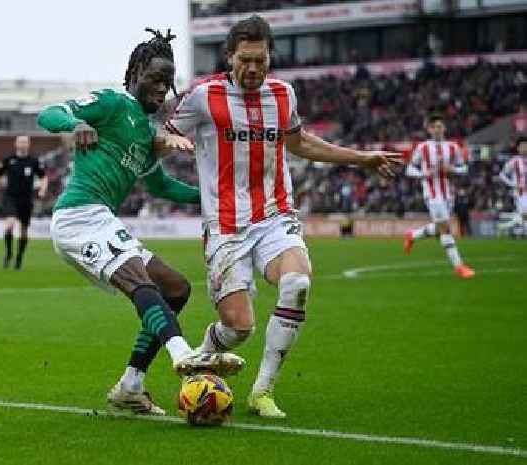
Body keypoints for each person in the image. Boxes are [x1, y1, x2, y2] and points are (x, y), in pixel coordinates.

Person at [164, 15, 401, 418]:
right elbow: (165, 134)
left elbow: (301, 143)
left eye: (260, 60)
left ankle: (263, 390)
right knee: (239, 328)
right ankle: (205, 353)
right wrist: (167, 139)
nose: (253, 68)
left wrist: (360, 158)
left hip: (275, 216)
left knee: (297, 282)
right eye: (245, 60)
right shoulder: (204, 96)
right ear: (229, 57)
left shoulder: (283, 94)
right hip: (225, 225)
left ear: (270, 57)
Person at [37, 28, 244, 415]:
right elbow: (50, 113)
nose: (161, 89)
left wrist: (210, 198)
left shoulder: (149, 135)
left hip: (100, 219)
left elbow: (162, 186)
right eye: (154, 78)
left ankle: (131, 386)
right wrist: (75, 125)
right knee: (141, 282)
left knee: (176, 289)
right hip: (78, 216)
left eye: (167, 82)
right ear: (134, 73)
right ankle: (185, 356)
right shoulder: (113, 102)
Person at [404, 114, 475, 278]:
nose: (437, 129)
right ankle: (459, 267)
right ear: (429, 129)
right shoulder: (423, 148)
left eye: (440, 126)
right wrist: (424, 173)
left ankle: (412, 235)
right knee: (445, 228)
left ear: (444, 128)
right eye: (434, 126)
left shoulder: (453, 147)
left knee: (439, 228)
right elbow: (409, 169)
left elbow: (464, 169)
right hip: (432, 193)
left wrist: (453, 170)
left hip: (448, 194)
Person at [0, 136, 48, 270]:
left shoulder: (34, 161)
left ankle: (19, 257)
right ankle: (8, 253)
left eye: (25, 142)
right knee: (9, 225)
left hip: (26, 199)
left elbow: (43, 177)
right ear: (16, 144)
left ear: (29, 145)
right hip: (11, 198)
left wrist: (42, 189)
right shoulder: (8, 160)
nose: (23, 144)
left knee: (23, 231)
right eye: (20, 142)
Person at [498, 135, 527, 237]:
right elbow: (501, 175)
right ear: (518, 148)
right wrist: (513, 184)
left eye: (526, 146)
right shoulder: (514, 161)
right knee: (525, 214)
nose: (525, 148)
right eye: (522, 146)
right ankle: (513, 228)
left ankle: (506, 226)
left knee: (524, 218)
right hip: (520, 193)